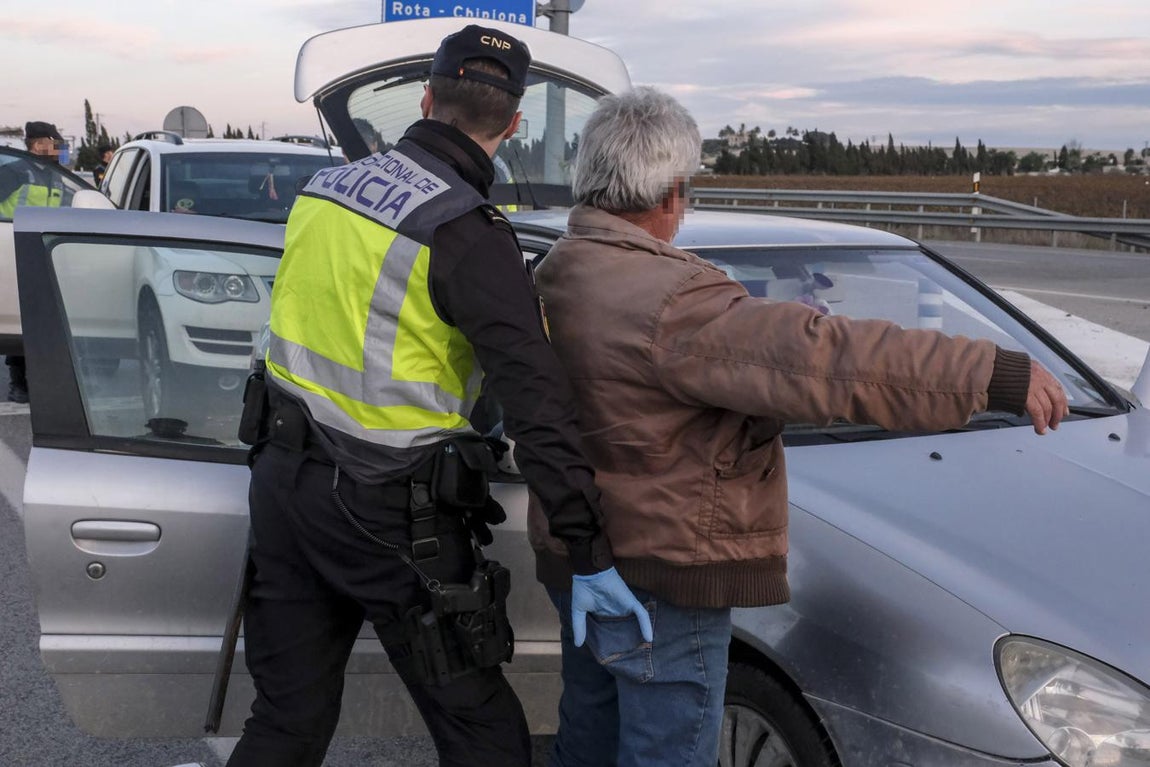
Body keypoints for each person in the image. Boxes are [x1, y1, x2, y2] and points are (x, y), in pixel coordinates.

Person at [527, 87, 1070, 767]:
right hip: (660, 576)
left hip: (581, 559)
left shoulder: (557, 270)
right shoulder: (675, 301)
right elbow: (830, 359)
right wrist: (996, 374)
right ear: (670, 194)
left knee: (588, 736)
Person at [226, 25, 642, 767]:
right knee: (485, 738)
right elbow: (538, 405)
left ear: (425, 98)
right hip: (393, 520)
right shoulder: (468, 236)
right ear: (512, 126)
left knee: (286, 722)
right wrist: (588, 551)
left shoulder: (324, 190)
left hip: (283, 488)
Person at [2, 121, 67, 403]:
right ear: (31, 144)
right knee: (21, 319)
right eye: (41, 141)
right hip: (12, 249)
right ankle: (19, 383)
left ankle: (43, 381)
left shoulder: (55, 176)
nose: (47, 146)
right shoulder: (14, 171)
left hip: (45, 250)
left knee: (44, 321)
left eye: (51, 142)